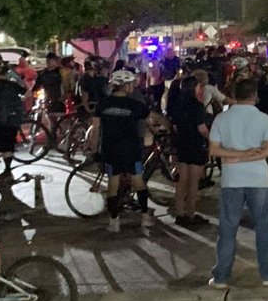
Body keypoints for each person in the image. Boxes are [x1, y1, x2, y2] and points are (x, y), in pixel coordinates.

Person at [208, 78, 268, 288]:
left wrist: (237, 157)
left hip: (232, 179)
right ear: (255, 96)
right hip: (258, 179)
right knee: (264, 227)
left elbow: (214, 150)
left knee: (228, 229)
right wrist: (248, 155)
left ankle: (221, 276)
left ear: (235, 95)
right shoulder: (264, 119)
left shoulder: (222, 119)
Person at [91, 70, 155, 233]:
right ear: (125, 86)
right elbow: (149, 121)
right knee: (138, 182)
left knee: (112, 185)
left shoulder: (103, 104)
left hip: (110, 150)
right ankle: (145, 217)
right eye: (132, 84)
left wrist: (93, 148)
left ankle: (114, 221)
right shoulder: (135, 105)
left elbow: (96, 128)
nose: (133, 87)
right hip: (131, 150)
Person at [169, 76, 212, 226]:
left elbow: (174, 126)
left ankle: (179, 213)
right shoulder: (197, 106)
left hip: (182, 143)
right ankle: (191, 214)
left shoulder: (178, 104)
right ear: (194, 88)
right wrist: (210, 138)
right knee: (194, 181)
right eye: (199, 86)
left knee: (182, 180)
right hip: (195, 144)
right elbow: (202, 128)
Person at [0, 62, 25, 180]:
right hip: (14, 117)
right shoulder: (13, 84)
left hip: (0, 117)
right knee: (9, 143)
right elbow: (26, 92)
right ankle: (7, 169)